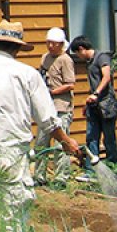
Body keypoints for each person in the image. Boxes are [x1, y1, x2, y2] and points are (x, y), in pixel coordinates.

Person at [0, 20, 80, 229]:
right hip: (14, 156)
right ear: (18, 49)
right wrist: (66, 141)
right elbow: (47, 119)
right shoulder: (27, 74)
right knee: (12, 217)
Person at [70, 35, 117, 178]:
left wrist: (96, 94)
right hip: (94, 105)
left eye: (77, 53)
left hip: (106, 104)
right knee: (91, 137)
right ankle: (91, 172)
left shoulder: (101, 57)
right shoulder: (89, 62)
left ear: (81, 49)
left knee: (109, 138)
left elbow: (106, 77)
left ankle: (113, 169)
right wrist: (89, 101)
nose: (78, 57)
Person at [33, 27, 76, 186]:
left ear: (60, 44)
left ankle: (61, 178)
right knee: (41, 143)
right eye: (48, 43)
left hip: (62, 106)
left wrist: (52, 92)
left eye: (54, 43)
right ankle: (39, 176)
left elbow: (70, 84)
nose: (50, 46)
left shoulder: (65, 59)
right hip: (46, 107)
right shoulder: (45, 58)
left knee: (60, 144)